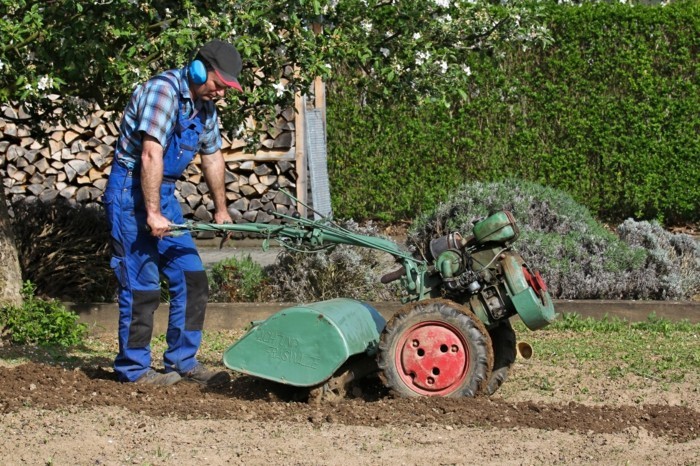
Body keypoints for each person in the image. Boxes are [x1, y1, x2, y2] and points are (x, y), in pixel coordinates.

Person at [103, 39, 242, 387]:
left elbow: (212, 156)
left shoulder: (205, 108)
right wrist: (151, 212)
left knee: (192, 278)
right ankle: (133, 370)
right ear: (199, 70)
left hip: (162, 193)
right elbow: (150, 154)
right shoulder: (162, 93)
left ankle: (182, 362)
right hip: (130, 192)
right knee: (142, 283)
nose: (222, 94)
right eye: (220, 85)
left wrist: (221, 209)